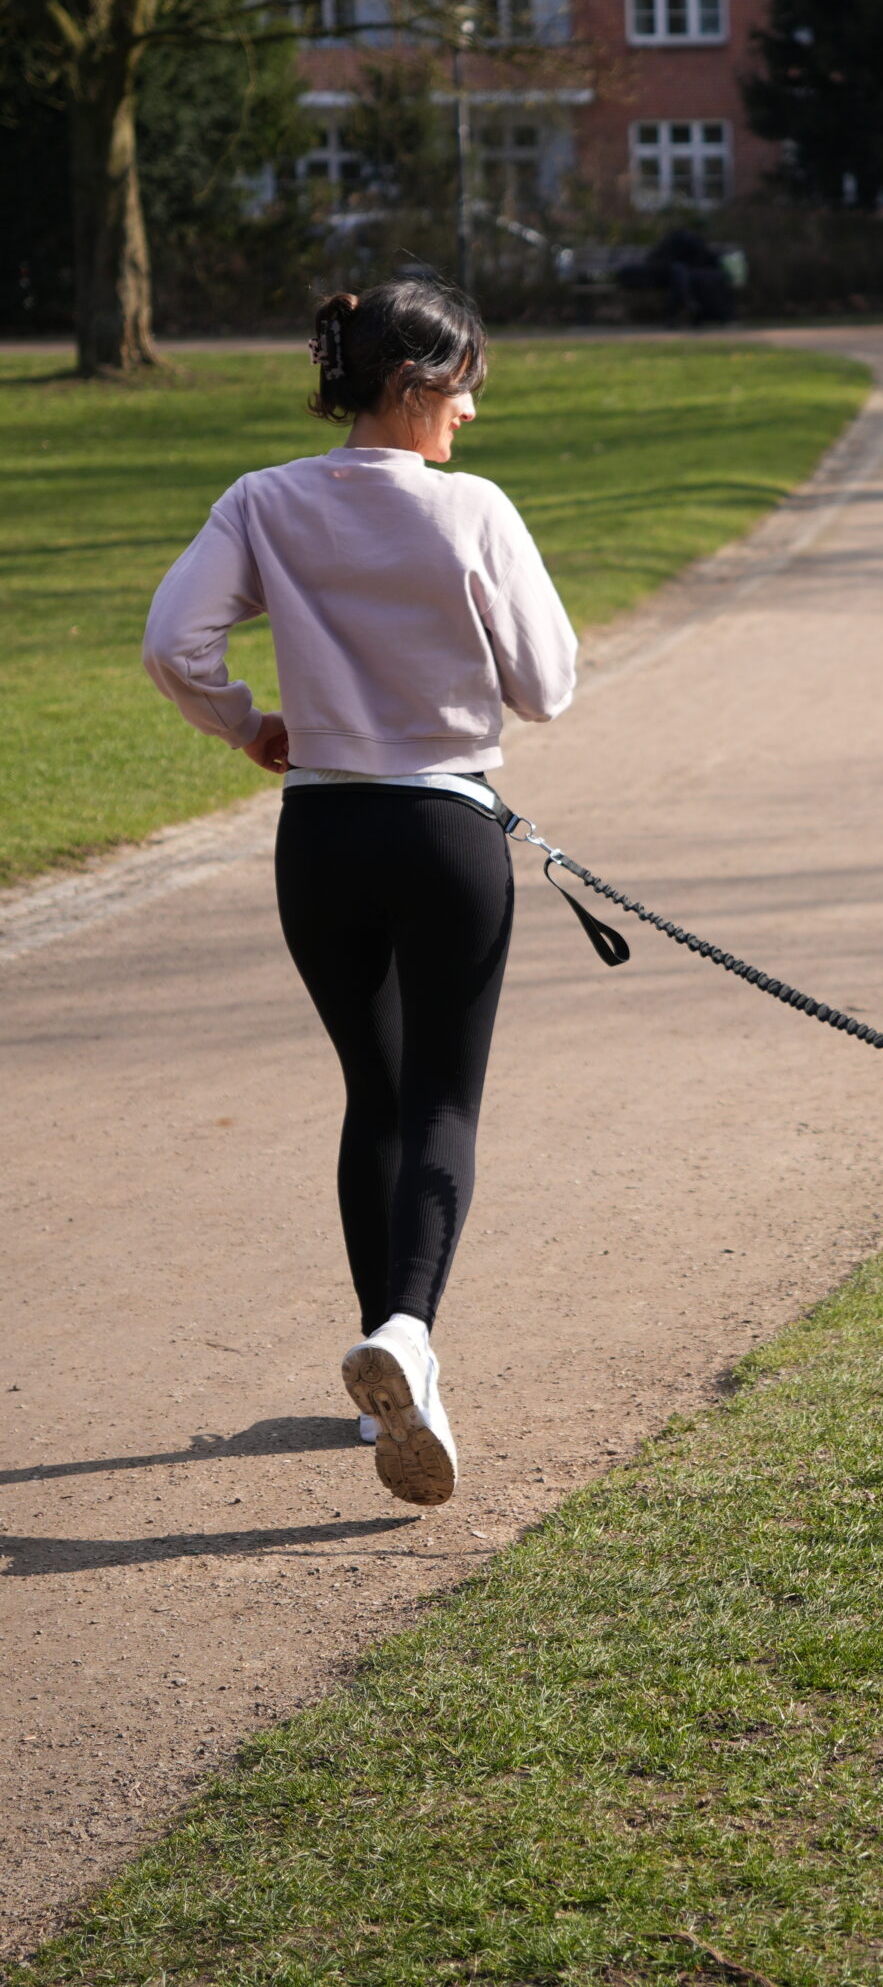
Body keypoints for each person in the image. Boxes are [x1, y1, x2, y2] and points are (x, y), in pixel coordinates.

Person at [142, 275, 577, 1508]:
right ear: (413, 384)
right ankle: (407, 1335)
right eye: (465, 388)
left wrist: (249, 723)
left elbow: (173, 643)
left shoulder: (261, 499)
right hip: (444, 829)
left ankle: (390, 1369)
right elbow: (546, 686)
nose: (471, 413)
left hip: (321, 833)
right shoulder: (472, 509)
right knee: (443, 1099)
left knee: (372, 1093)